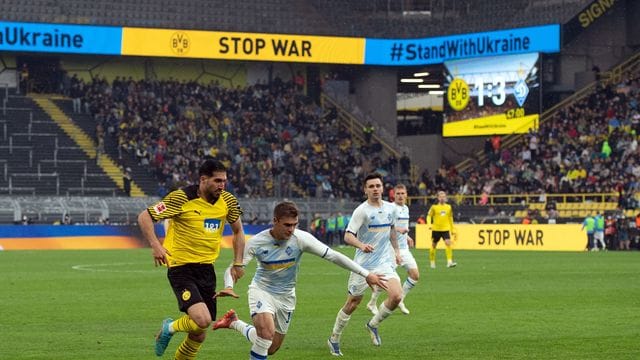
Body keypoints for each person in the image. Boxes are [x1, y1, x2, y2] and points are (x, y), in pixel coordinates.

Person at [211, 201, 387, 360]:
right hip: (262, 290)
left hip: (287, 296)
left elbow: (333, 256)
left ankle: (234, 322)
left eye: (295, 225)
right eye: (287, 225)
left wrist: (366, 274)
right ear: (275, 221)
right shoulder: (257, 242)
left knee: (271, 347)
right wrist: (228, 285)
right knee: (266, 335)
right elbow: (234, 268)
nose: (291, 229)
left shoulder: (301, 239)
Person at [137, 159, 246, 358]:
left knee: (198, 334)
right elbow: (145, 216)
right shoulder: (181, 198)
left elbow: (238, 231)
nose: (222, 185)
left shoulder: (228, 201)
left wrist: (238, 262)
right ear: (203, 179)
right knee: (202, 320)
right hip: (181, 267)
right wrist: (156, 245)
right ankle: (169, 327)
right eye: (217, 181)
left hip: (207, 269)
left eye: (224, 181)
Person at [328, 173, 403, 355]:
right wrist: (362, 245)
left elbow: (392, 230)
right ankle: (334, 338)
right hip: (362, 266)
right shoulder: (361, 211)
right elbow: (348, 235)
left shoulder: (391, 209)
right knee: (353, 303)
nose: (375, 189)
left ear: (383, 188)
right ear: (365, 190)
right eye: (371, 186)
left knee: (396, 296)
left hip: (384, 263)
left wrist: (397, 251)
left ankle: (373, 324)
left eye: (378, 185)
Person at [366, 184, 419, 315]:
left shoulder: (406, 208)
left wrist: (407, 236)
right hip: (390, 249)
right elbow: (387, 227)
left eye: (403, 193)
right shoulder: (390, 209)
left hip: (404, 249)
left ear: (406, 195)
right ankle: (372, 303)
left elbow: (403, 226)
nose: (400, 196)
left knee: (415, 275)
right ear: (393, 195)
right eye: (398, 194)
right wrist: (399, 230)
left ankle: (401, 299)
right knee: (385, 277)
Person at [427, 190, 457, 268]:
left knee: (448, 243)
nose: (442, 198)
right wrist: (429, 225)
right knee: (434, 245)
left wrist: (452, 229)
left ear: (446, 198)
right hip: (436, 229)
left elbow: (450, 218)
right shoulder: (434, 207)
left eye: (444, 197)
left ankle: (449, 262)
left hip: (445, 229)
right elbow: (429, 216)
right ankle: (432, 262)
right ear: (438, 198)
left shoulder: (448, 207)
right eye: (440, 197)